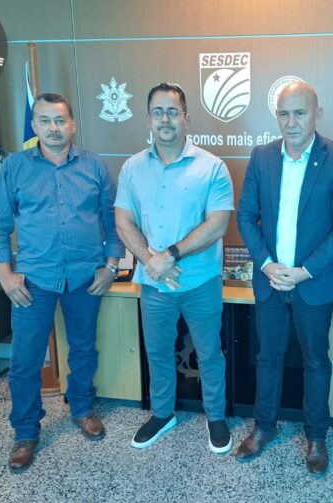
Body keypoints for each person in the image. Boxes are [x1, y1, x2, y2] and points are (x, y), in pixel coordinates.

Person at [0, 93, 123, 472]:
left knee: (83, 348)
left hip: (85, 277)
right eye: (45, 121)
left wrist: (111, 266)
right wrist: (5, 274)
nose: (53, 128)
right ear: (34, 126)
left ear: (73, 125)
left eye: (60, 120)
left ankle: (82, 408)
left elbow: (113, 223)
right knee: (25, 360)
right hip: (33, 281)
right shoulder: (16, 167)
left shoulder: (94, 166)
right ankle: (25, 431)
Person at [235, 82, 333, 474]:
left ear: (317, 114)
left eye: (300, 113)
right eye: (284, 113)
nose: (291, 122)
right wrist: (266, 264)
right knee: (267, 357)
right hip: (271, 282)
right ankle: (264, 426)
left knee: (316, 360)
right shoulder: (262, 157)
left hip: (313, 283)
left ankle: (316, 436)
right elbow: (246, 216)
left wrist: (305, 271)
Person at [114, 83, 234, 454]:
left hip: (200, 282)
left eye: (172, 111)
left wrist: (170, 255)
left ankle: (216, 417)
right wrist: (151, 261)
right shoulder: (132, 168)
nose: (165, 119)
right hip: (153, 284)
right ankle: (163, 414)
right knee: (158, 352)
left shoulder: (212, 167)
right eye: (158, 112)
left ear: (185, 118)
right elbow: (123, 221)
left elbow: (217, 224)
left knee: (209, 353)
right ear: (148, 118)